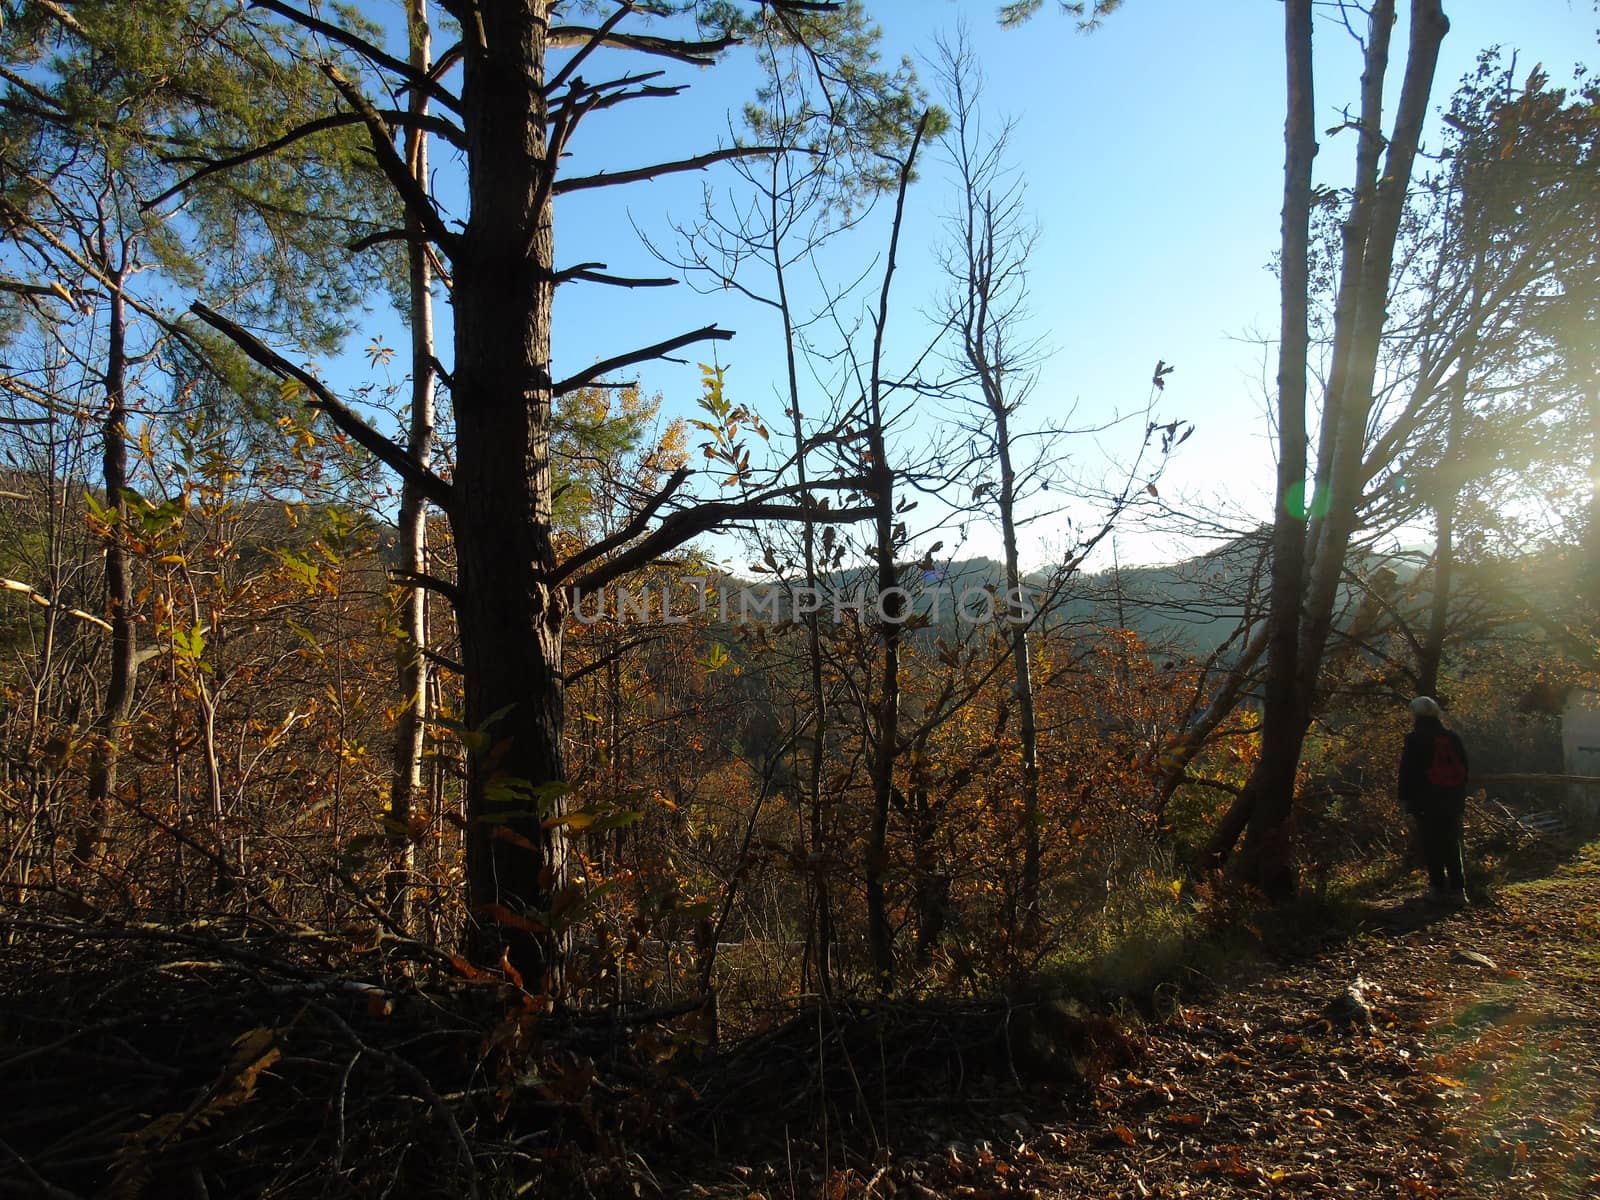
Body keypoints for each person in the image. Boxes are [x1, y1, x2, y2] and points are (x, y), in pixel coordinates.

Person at [1398, 696, 1470, 905]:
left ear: (1416, 715)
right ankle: (1459, 890)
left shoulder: (1414, 739)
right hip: (1453, 799)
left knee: (1431, 843)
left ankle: (1437, 888)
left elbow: (1408, 772)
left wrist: (1404, 799)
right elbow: (1465, 767)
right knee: (1451, 842)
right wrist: (1458, 793)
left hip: (1426, 801)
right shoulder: (1452, 737)